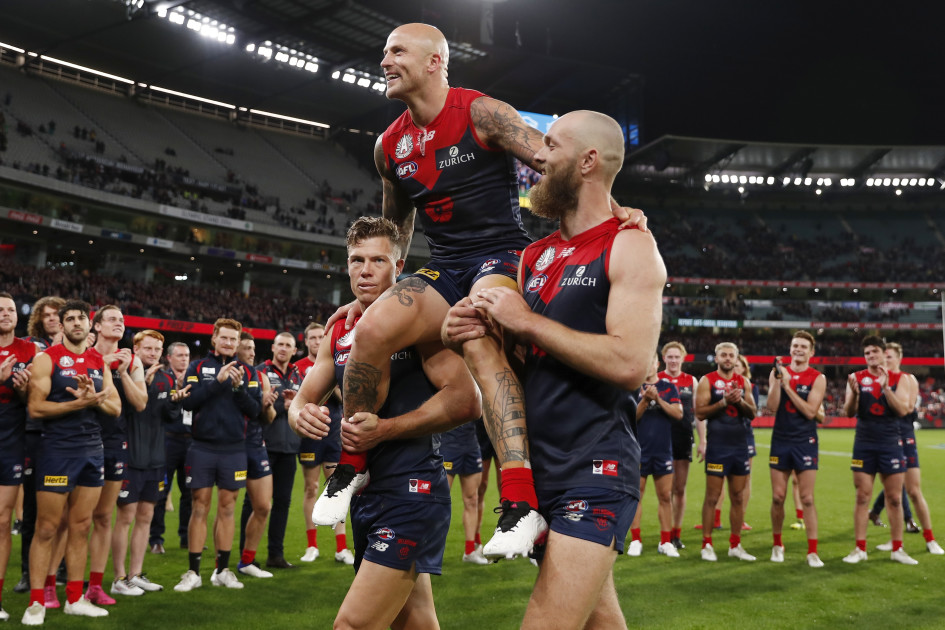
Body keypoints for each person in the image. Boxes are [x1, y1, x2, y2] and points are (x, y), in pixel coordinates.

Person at [315, 23, 644, 561]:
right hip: (444, 264)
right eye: (383, 52)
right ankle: (353, 464)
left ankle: (519, 504)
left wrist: (612, 207)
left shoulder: (480, 112)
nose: (384, 61)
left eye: (396, 51)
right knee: (371, 331)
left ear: (434, 62)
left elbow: (550, 159)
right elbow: (395, 230)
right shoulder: (388, 146)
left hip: (501, 255)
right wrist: (369, 293)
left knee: (479, 331)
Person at [444, 110, 664, 628]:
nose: (535, 156)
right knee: (600, 622)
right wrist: (473, 332)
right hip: (541, 469)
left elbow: (631, 364)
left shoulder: (631, 245)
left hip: (597, 468)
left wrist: (526, 321)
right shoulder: (535, 256)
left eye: (550, 145)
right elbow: (525, 364)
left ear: (589, 161)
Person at [289, 216, 481, 629]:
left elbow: (467, 401)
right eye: (357, 260)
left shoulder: (420, 321)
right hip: (366, 494)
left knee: (352, 625)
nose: (366, 270)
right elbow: (304, 397)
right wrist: (298, 414)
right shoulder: (339, 327)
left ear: (399, 264)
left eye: (378, 260)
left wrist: (387, 429)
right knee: (414, 622)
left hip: (412, 489)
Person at [22, 300, 121, 625]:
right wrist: (77, 404)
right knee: (47, 528)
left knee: (81, 526)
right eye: (70, 318)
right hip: (57, 451)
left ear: (89, 324)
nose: (76, 322)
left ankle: (74, 598)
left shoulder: (97, 361)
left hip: (92, 451)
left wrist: (95, 400)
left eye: (81, 318)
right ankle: (37, 602)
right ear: (61, 325)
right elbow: (36, 409)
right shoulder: (46, 359)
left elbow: (116, 408)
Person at [173, 318, 262, 592]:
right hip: (202, 447)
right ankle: (193, 572)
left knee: (227, 508)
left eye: (233, 339)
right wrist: (217, 383)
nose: (228, 343)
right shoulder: (197, 367)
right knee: (199, 507)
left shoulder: (248, 372)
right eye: (224, 338)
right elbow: (188, 401)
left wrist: (237, 389)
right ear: (214, 338)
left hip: (235, 448)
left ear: (237, 342)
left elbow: (255, 412)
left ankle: (222, 570)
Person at [111, 330, 189, 595]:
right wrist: (138, 382)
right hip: (130, 455)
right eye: (148, 348)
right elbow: (121, 410)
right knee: (125, 517)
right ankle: (119, 577)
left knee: (146, 516)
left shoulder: (166, 377)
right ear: (136, 348)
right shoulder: (120, 372)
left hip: (156, 456)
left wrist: (175, 401)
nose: (153, 353)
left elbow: (168, 416)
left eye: (157, 349)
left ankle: (136, 573)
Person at [87, 305, 148, 605]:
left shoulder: (131, 360)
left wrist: (122, 372)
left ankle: (96, 585)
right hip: (79, 440)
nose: (118, 324)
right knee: (68, 520)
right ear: (96, 326)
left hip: (114, 443)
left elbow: (140, 402)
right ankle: (50, 584)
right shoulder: (83, 355)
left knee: (102, 517)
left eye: (122, 320)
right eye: (111, 319)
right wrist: (103, 363)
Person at [842, 335, 917, 565]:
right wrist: (854, 393)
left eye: (875, 351)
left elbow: (903, 410)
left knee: (894, 498)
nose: (871, 356)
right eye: (867, 353)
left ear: (884, 354)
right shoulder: (855, 378)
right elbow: (848, 412)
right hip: (864, 443)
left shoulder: (900, 378)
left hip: (890, 443)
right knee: (862, 496)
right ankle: (859, 548)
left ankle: (897, 548)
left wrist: (886, 389)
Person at [872, 342, 944, 556]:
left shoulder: (907, 379)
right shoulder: (875, 380)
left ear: (899, 359)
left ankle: (930, 539)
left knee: (913, 491)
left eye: (890, 356)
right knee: (892, 494)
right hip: (884, 441)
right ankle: (895, 540)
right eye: (884, 356)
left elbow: (905, 409)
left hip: (904, 440)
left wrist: (884, 388)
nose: (886, 359)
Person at [15, 296, 64, 595]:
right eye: (47, 316)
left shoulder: (77, 347)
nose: (53, 319)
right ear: (39, 320)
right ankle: (26, 572)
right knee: (33, 510)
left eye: (57, 314)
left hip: (67, 436)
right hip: (35, 432)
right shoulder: (29, 347)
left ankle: (60, 570)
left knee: (67, 511)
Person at [766, 331, 826, 568]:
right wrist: (778, 382)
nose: (798, 349)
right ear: (790, 349)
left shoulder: (817, 377)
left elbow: (811, 412)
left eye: (803, 346)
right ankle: (777, 544)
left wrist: (789, 387)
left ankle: (812, 551)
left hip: (805, 441)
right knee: (778, 497)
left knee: (807, 498)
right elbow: (771, 407)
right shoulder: (777, 373)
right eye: (795, 345)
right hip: (780, 439)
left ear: (811, 352)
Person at [294, 323, 352, 565]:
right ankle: (311, 546)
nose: (318, 341)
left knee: (336, 490)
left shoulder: (340, 363)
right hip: (311, 437)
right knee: (310, 488)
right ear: (306, 341)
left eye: (321, 337)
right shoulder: (298, 369)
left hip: (334, 435)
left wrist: (336, 388)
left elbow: (348, 399)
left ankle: (341, 548)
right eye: (313, 337)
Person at [694, 342, 757, 562]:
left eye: (731, 355)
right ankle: (707, 544)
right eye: (724, 355)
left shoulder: (743, 382)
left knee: (738, 497)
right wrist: (722, 402)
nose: (728, 358)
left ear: (736, 358)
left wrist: (738, 401)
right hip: (718, 446)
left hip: (739, 446)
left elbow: (752, 413)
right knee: (712, 497)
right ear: (717, 357)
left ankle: (735, 545)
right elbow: (700, 413)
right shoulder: (707, 381)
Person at [257, 332, 305, 569]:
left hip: (289, 448)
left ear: (295, 350)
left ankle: (276, 554)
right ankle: (249, 555)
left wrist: (296, 405)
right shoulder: (261, 372)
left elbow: (306, 405)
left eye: (289, 345)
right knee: (256, 503)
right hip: (263, 446)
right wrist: (282, 405)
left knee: (283, 503)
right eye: (281, 344)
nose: (284, 349)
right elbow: (253, 403)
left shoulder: (298, 374)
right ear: (273, 347)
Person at [0, 292, 35, 621]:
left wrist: (23, 387)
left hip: (10, 440)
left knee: (2, 520)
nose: (5, 314)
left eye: (9, 309)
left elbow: (34, 399)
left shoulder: (28, 350)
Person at [628, 354, 683, 559]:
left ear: (657, 364)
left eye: (652, 360)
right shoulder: (633, 386)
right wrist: (645, 400)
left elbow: (678, 414)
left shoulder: (669, 388)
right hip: (639, 450)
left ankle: (666, 541)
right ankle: (635, 540)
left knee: (665, 497)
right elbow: (630, 418)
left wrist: (657, 398)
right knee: (637, 496)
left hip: (662, 450)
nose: (649, 364)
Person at [236, 332, 276, 579]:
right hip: (230, 445)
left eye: (252, 348)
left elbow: (269, 418)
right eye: (247, 348)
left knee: (263, 506)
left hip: (256, 445)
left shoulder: (261, 377)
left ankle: (246, 561)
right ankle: (219, 567)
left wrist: (266, 404)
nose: (252, 352)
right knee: (225, 507)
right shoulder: (229, 373)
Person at [149, 341, 192, 554]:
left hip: (191, 441)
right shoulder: (162, 379)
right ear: (169, 358)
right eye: (180, 355)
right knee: (161, 491)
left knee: (189, 492)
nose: (184, 359)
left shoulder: (195, 380)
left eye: (187, 355)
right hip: (167, 439)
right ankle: (156, 539)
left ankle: (186, 537)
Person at [658, 341, 701, 550]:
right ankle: (664, 534)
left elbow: (699, 415)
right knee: (664, 492)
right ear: (664, 358)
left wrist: (704, 441)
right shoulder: (656, 379)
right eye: (670, 357)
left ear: (683, 359)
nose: (673, 360)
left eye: (677, 357)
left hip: (683, 437)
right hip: (660, 439)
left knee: (680, 489)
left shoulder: (691, 381)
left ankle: (676, 533)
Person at [436, 421, 488, 564]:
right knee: (438, 500)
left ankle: (470, 551)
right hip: (447, 446)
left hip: (471, 445)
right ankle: (428, 551)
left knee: (472, 499)